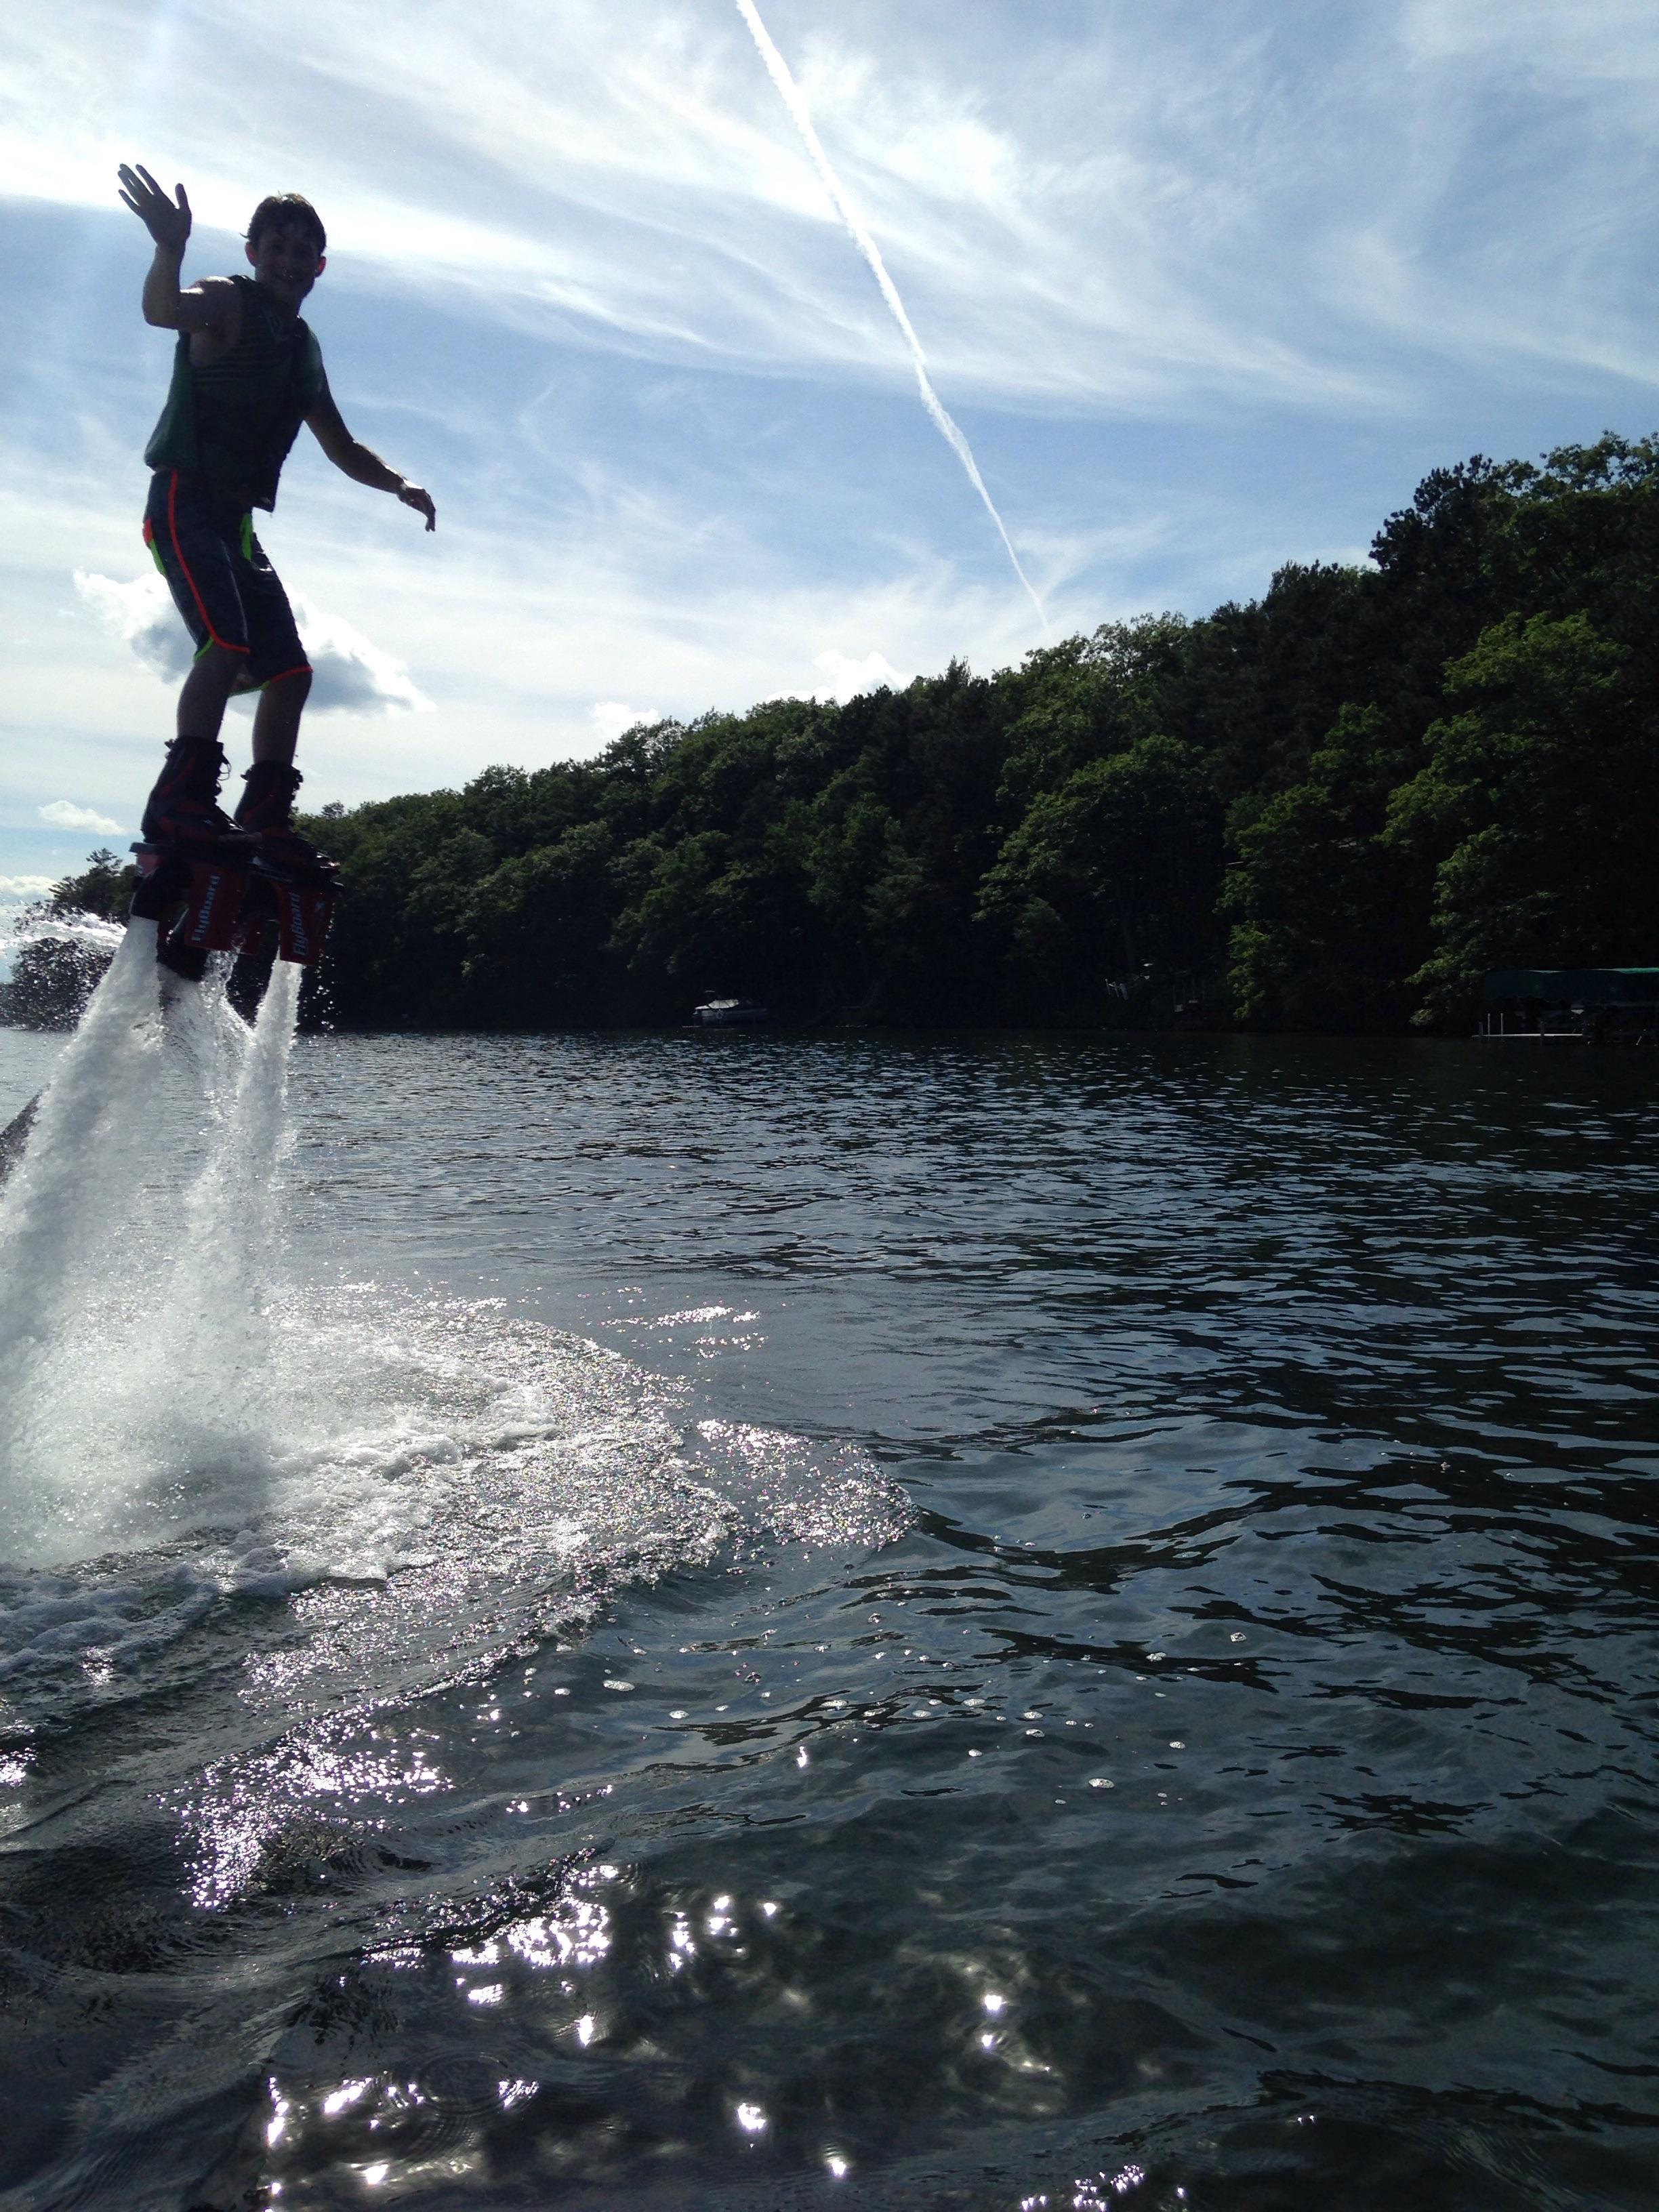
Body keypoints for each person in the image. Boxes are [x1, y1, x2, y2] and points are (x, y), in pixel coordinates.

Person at [117, 163, 435, 888]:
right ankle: (180, 801)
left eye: (303, 252)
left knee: (291, 671)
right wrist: (169, 248)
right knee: (226, 642)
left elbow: (343, 447)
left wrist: (400, 484)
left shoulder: (302, 348)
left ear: (319, 266)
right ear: (255, 251)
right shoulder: (227, 301)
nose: (290, 262)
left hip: (235, 524)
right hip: (183, 498)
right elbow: (164, 310)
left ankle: (264, 815)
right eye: (277, 247)